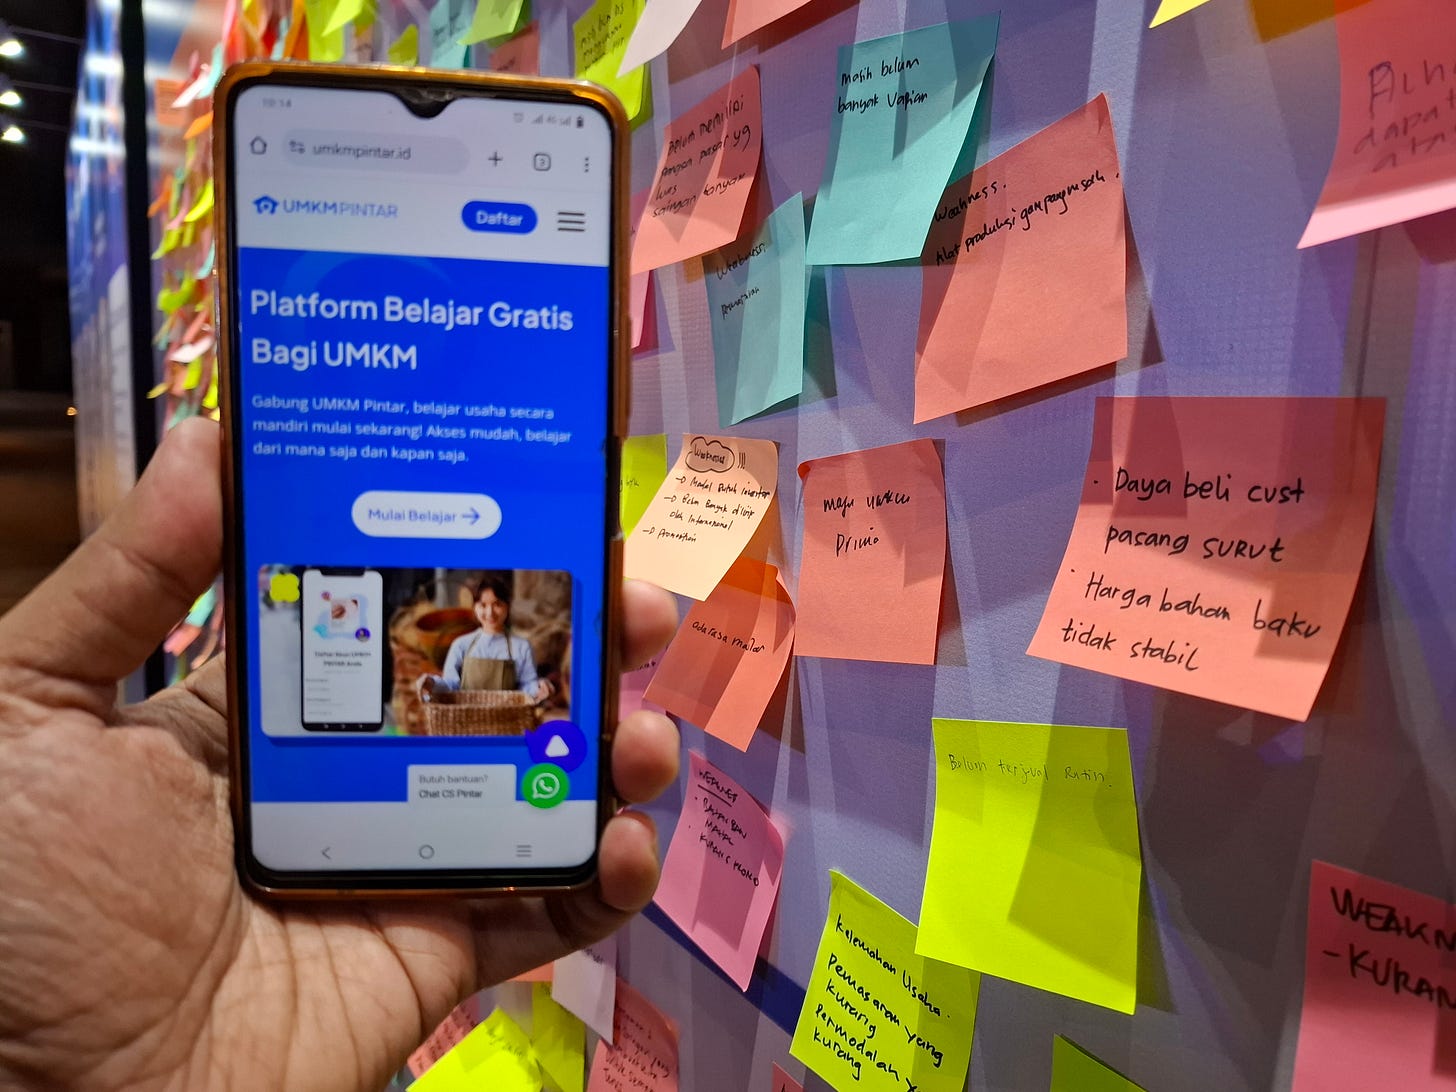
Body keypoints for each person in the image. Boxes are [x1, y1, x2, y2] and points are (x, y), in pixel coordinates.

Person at [0, 417, 680, 1091]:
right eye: (488, 609)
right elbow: (442, 684)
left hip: (500, 741)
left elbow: (537, 690)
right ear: (477, 613)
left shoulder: (516, 652)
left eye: (500, 610)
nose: (493, 617)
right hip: (454, 736)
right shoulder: (466, 648)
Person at [420, 576, 550, 702]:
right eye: (483, 605)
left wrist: (539, 687)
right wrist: (431, 682)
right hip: (466, 720)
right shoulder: (461, 645)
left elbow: (526, 688)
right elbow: (450, 685)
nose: (490, 613)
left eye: (497, 604)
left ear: (507, 607)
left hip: (508, 720)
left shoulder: (522, 647)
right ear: (474, 608)